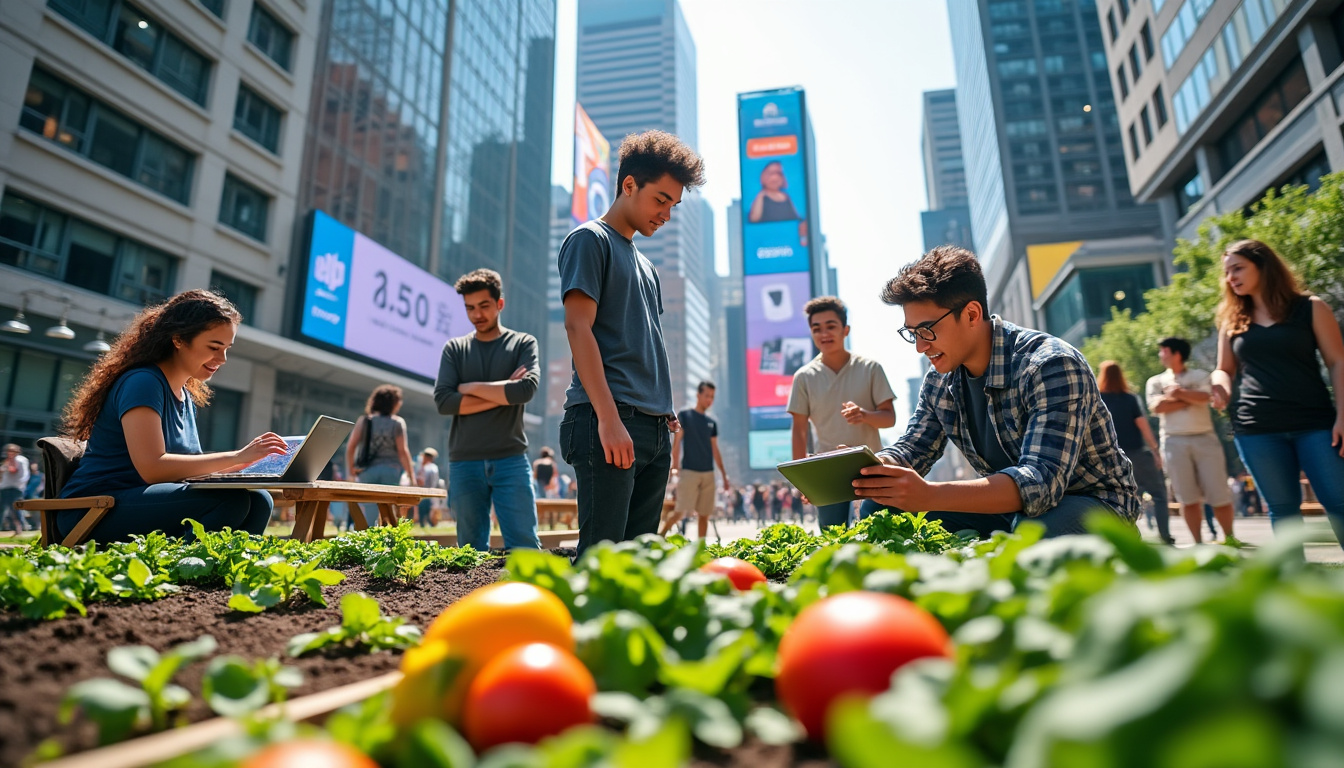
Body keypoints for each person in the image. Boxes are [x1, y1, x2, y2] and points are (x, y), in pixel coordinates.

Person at [854, 246, 1140, 538]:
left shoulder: (1050, 364)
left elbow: (1040, 483)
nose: (920, 346)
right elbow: (914, 447)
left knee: (1036, 528)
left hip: (1091, 503)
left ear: (972, 314)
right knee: (880, 506)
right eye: (913, 334)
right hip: (1009, 511)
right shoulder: (939, 381)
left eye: (927, 330)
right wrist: (867, 469)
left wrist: (930, 495)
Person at [558, 129, 705, 557]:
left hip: (654, 427)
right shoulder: (590, 240)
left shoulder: (646, 265)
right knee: (600, 561)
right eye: (661, 200)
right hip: (608, 417)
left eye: (673, 206)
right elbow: (577, 329)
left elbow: (645, 341)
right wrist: (607, 418)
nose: (666, 214)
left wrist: (666, 408)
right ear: (628, 185)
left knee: (638, 562)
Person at [56, 290, 284, 542]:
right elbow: (153, 468)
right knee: (229, 502)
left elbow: (187, 469)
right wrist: (236, 455)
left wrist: (244, 465)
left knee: (260, 499)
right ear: (178, 339)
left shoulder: (185, 395)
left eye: (227, 348)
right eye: (214, 347)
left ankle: (225, 575)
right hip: (95, 509)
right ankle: (185, 572)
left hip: (140, 501)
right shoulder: (143, 382)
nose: (222, 359)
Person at [1209, 239, 1344, 549]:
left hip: (1316, 423)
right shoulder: (1232, 321)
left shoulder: (1310, 307)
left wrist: (1342, 416)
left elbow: (1337, 362)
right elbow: (1224, 369)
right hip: (1257, 428)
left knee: (1338, 502)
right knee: (1282, 511)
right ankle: (1293, 585)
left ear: (1263, 265)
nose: (1231, 278)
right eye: (1227, 272)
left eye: (1238, 268)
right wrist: (1219, 385)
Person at [433, 268, 542, 551]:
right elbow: (444, 402)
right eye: (469, 308)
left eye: (484, 306)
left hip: (511, 458)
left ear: (499, 304)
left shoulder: (523, 343)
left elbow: (525, 390)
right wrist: (503, 393)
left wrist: (468, 387)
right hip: (464, 461)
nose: (476, 315)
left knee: (525, 546)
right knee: (469, 550)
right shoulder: (454, 349)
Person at [787, 296, 897, 530]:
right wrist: (803, 482)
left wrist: (865, 415)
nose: (824, 333)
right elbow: (798, 431)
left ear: (845, 330)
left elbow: (890, 418)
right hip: (827, 472)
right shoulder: (804, 377)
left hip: (871, 467)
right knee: (832, 538)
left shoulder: (871, 369)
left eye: (831, 326)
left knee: (876, 534)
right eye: (817, 328)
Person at [1145, 337, 1236, 543]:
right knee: (1187, 498)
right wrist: (1188, 398)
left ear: (1176, 353)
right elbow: (1157, 408)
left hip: (1205, 438)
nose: (1160, 355)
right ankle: (1198, 543)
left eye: (1163, 350)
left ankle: (1230, 538)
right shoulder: (1156, 381)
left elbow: (1206, 398)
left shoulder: (1201, 375)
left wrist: (1177, 394)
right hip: (1173, 441)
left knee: (1219, 494)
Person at [1098, 361, 1175, 545]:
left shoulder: (1098, 398)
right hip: (1137, 455)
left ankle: (1125, 538)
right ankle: (1165, 536)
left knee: (1117, 498)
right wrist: (1155, 451)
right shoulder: (1129, 398)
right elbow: (1143, 425)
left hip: (1111, 456)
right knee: (1158, 494)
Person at [659, 381, 731, 539]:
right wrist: (675, 467)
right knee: (679, 513)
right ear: (698, 395)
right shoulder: (685, 415)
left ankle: (700, 549)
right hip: (689, 472)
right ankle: (659, 537)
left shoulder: (711, 422)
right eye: (706, 396)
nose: (709, 400)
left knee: (704, 515)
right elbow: (677, 442)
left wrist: (724, 475)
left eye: (712, 397)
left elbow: (715, 450)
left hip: (708, 474)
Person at [346, 384, 417, 528]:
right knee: (389, 508)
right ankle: (386, 542)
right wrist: (411, 476)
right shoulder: (397, 422)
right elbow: (403, 451)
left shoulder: (365, 420)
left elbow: (351, 447)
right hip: (391, 470)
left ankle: (367, 539)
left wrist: (351, 470)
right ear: (393, 403)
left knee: (369, 508)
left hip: (367, 470)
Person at [1, 444, 31, 532]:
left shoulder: (20, 460)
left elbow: (19, 473)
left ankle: (22, 527)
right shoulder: (7, 460)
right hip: (5, 487)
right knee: (2, 509)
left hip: (16, 488)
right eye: (8, 451)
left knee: (16, 508)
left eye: (12, 451)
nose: (9, 453)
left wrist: (21, 485)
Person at [415, 448, 440, 528]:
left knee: (424, 513)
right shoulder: (434, 467)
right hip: (432, 494)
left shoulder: (427, 468)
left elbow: (421, 481)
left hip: (425, 494)